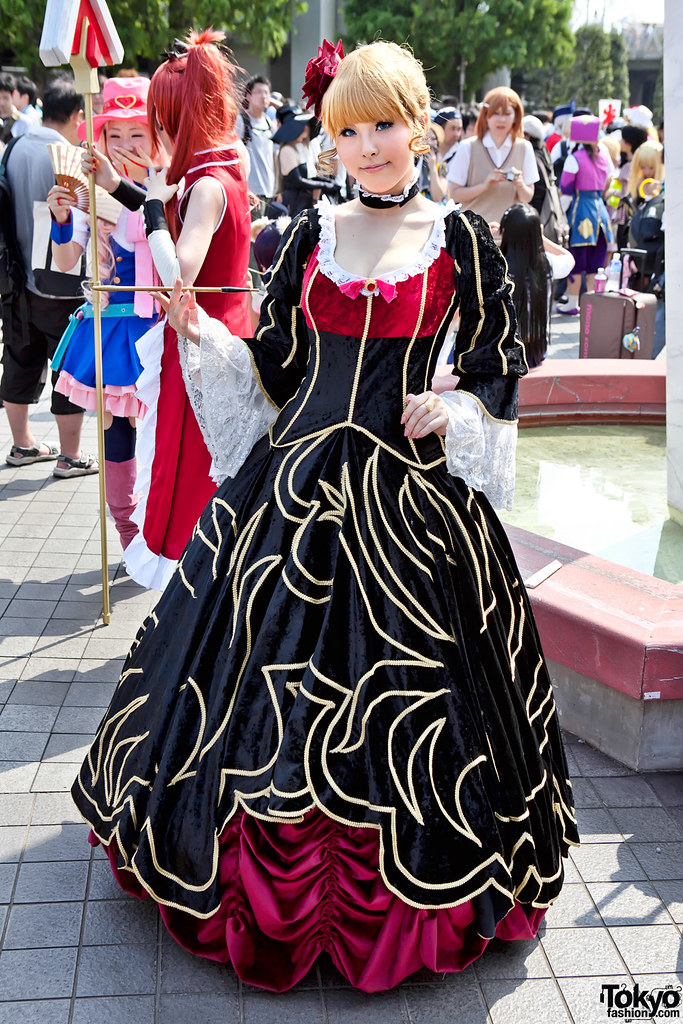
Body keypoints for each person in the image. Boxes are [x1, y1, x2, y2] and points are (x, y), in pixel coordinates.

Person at [72, 39, 579, 992]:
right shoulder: (306, 234)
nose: (368, 145)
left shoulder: (461, 240)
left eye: (384, 124)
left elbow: (499, 365)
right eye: (349, 130)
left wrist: (457, 404)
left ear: (420, 126)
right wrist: (197, 331)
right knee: (238, 671)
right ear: (331, 139)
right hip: (291, 486)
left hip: (409, 497)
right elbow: (276, 370)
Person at [86, 31, 253, 588]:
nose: (154, 131)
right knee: (207, 464)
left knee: (191, 473)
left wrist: (152, 202)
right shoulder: (228, 164)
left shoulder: (207, 183)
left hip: (200, 342)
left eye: (158, 117)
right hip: (218, 336)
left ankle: (195, 592)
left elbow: (178, 265)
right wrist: (123, 187)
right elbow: (171, 205)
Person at [46, 77, 161, 550]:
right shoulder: (88, 190)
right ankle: (129, 529)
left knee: (158, 426)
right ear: (101, 137)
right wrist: (61, 219)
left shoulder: (166, 184)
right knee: (116, 428)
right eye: (116, 135)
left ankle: (162, 525)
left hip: (158, 324)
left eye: (137, 133)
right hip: (111, 325)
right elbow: (69, 261)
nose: (127, 145)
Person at [0, 80, 98, 478]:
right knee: (67, 370)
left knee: (19, 358)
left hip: (14, 277)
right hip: (60, 284)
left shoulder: (16, 144)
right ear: (78, 116)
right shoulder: (68, 156)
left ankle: (23, 444)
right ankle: (70, 455)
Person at [495, 203, 575, 367]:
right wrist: (541, 237)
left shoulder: (494, 267)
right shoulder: (547, 264)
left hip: (500, 354)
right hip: (535, 353)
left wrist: (487, 236)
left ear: (504, 232)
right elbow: (569, 259)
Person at [448, 86, 538, 225]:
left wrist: (520, 185)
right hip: (474, 235)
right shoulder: (468, 147)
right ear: (485, 116)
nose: (501, 119)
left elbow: (527, 197)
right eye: (495, 113)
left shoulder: (525, 147)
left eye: (507, 113)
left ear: (516, 117)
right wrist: (485, 185)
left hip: (510, 234)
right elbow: (454, 194)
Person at [558, 115, 614, 316]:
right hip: (600, 211)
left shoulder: (574, 159)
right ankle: (592, 303)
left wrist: (560, 215)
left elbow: (565, 190)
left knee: (576, 259)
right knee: (595, 262)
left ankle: (572, 303)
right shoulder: (604, 156)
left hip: (580, 210)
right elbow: (609, 181)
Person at [272, 106, 338, 215]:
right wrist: (324, 185)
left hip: (304, 200)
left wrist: (326, 182)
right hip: (294, 203)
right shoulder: (287, 149)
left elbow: (309, 176)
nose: (307, 126)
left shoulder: (302, 147)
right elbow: (297, 180)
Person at [237, 75, 275, 213]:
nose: (263, 96)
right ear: (248, 96)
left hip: (269, 190)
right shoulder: (241, 121)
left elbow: (274, 156)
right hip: (251, 192)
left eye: (266, 92)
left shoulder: (269, 122)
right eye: (258, 92)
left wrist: (278, 188)